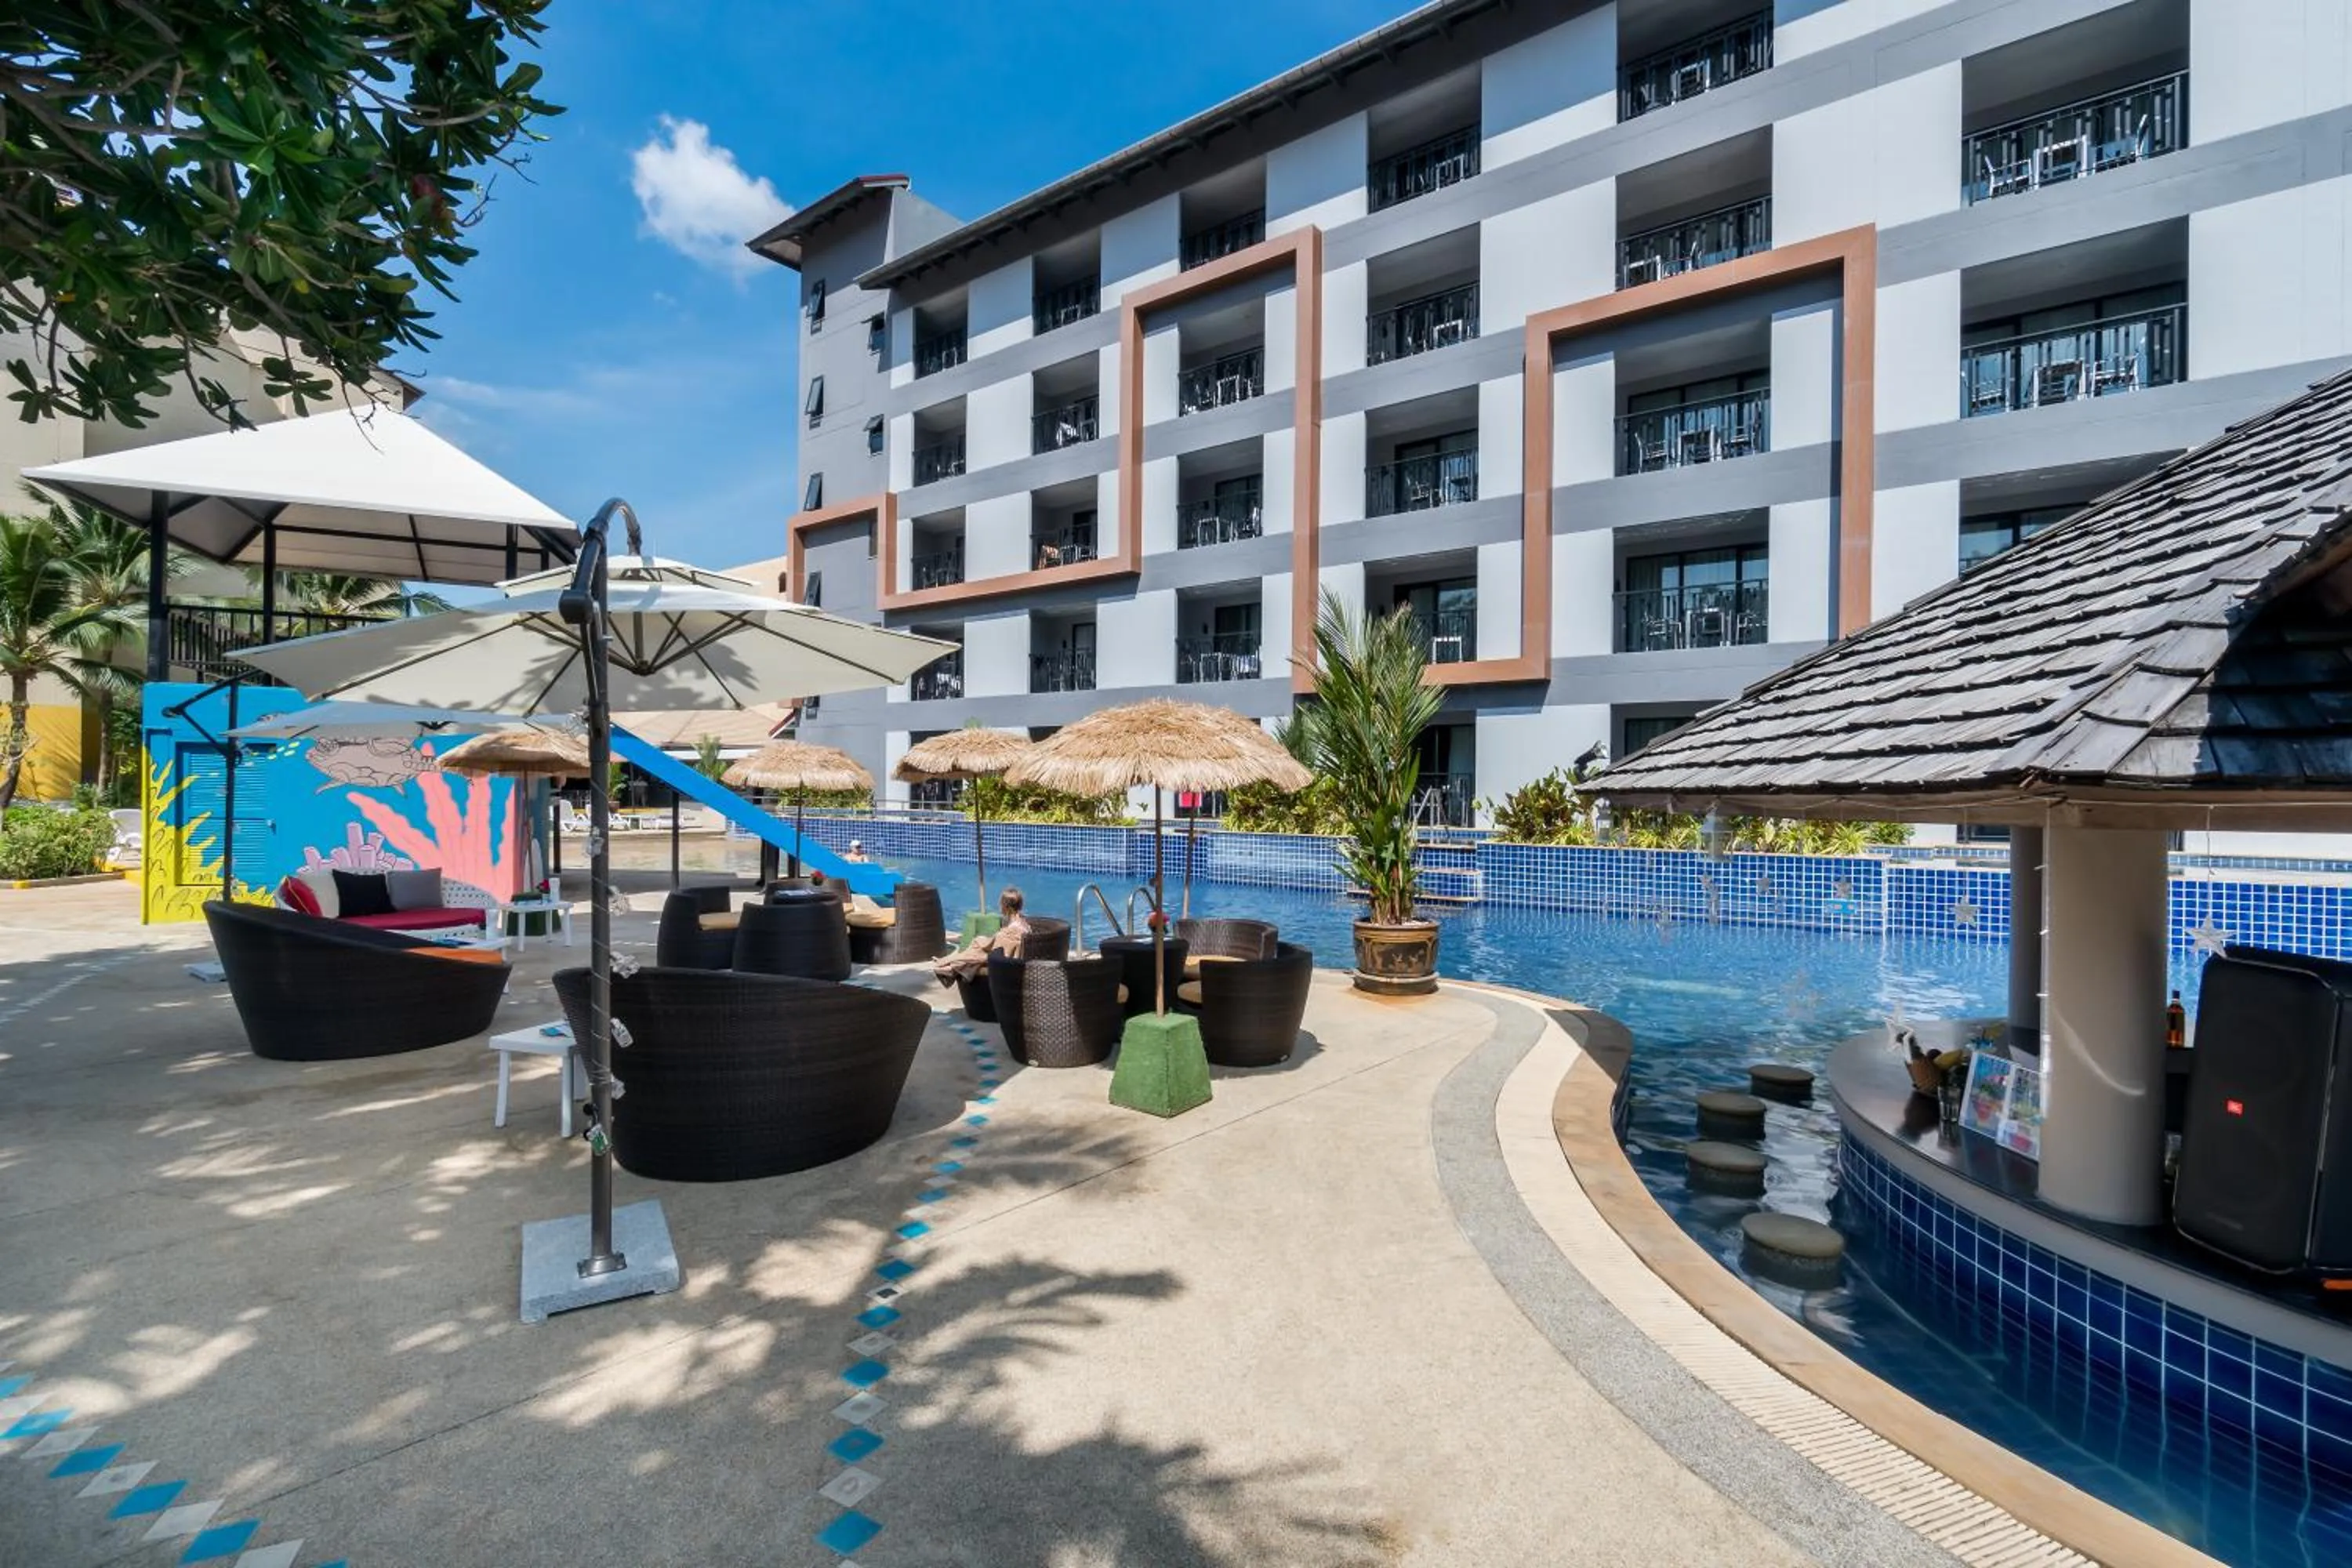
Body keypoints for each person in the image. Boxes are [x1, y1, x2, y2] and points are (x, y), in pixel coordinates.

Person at [934, 887, 1029, 988]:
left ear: (1006, 906)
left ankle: (952, 967)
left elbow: (1001, 949)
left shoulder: (1013, 929)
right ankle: (951, 965)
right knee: (978, 942)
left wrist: (987, 941)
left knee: (977, 949)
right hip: (1002, 954)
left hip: (1003, 959)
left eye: (1001, 904)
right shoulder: (1020, 922)